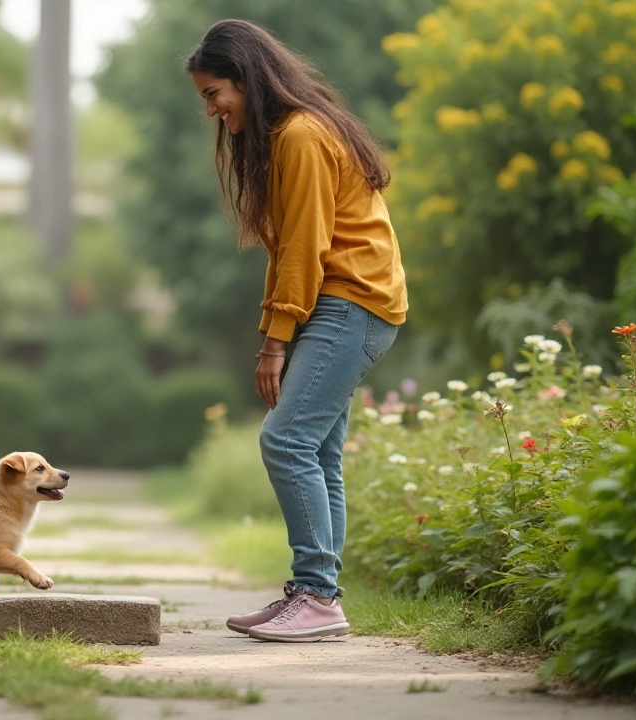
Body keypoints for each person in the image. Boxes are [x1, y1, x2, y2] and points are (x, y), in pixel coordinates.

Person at [186, 19, 407, 642]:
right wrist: (278, 325)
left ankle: (316, 596)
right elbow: (289, 251)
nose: (210, 110)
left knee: (285, 442)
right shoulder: (294, 132)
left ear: (245, 79)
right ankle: (316, 594)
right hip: (345, 303)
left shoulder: (302, 135)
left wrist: (274, 341)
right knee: (319, 454)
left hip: (350, 303)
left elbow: (305, 250)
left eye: (213, 94)